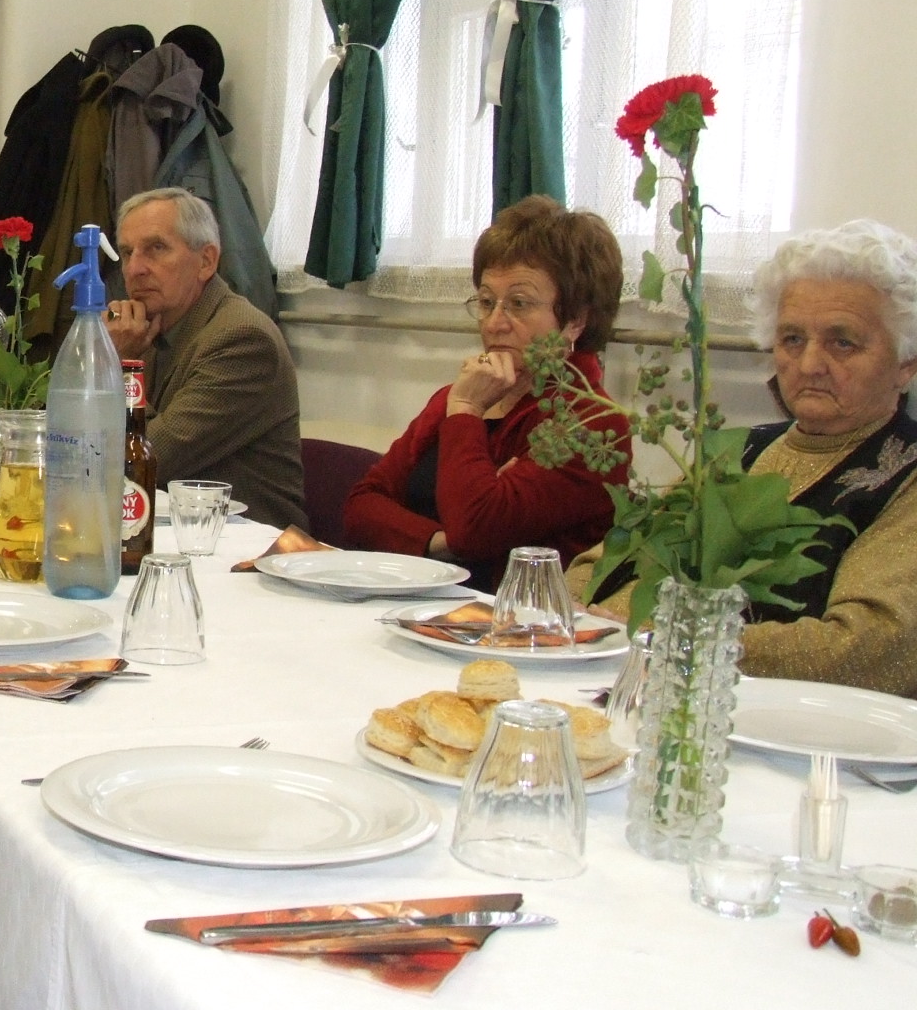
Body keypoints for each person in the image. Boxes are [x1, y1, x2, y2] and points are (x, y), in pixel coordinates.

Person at [575, 220, 917, 694]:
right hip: (629, 682)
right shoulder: (741, 448)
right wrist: (568, 615)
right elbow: (611, 559)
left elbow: (869, 648)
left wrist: (680, 642)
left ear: (906, 364)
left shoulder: (905, 476)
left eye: (843, 342)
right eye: (792, 339)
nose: (810, 364)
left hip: (782, 723)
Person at [344, 196, 628, 586]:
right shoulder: (455, 395)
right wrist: (441, 543)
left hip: (510, 614)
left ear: (576, 320)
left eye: (519, 304)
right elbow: (361, 506)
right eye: (486, 301)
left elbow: (473, 527)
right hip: (410, 597)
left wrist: (466, 411)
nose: (494, 323)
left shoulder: (592, 423)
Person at [106, 187, 307, 530]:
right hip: (167, 529)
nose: (135, 268)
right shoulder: (145, 328)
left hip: (246, 544)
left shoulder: (243, 340)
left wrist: (119, 364)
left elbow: (147, 460)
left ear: (206, 261)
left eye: (156, 248)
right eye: (127, 253)